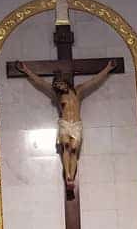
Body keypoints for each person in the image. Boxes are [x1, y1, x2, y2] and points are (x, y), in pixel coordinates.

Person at [16, 59, 117, 199]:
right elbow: (41, 83)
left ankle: (71, 177)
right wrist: (26, 70)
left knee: (74, 149)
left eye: (59, 84)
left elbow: (94, 81)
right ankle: (69, 177)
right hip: (64, 123)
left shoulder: (79, 91)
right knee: (66, 146)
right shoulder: (57, 95)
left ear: (65, 82)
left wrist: (107, 69)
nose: (58, 86)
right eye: (56, 85)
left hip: (76, 124)